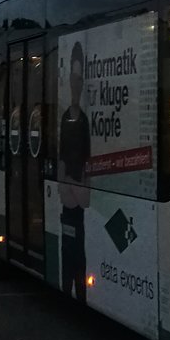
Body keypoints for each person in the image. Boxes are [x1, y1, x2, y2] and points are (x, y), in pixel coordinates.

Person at [59, 42, 91, 301]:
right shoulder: (63, 119)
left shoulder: (85, 121)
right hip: (68, 215)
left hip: (78, 219)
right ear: (69, 79)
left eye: (80, 77)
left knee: (79, 268)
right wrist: (74, 182)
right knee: (67, 270)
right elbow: (65, 194)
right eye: (74, 76)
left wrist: (71, 181)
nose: (76, 82)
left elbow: (85, 199)